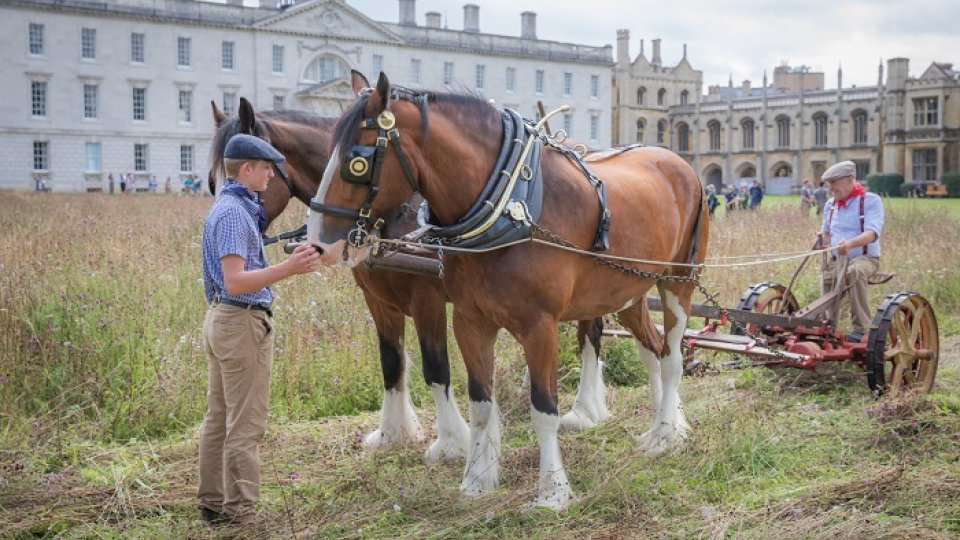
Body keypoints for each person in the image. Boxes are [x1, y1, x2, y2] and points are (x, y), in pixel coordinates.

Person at [198, 133, 321, 527]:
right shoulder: (235, 214)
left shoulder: (228, 206)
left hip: (222, 319)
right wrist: (289, 269)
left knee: (219, 417)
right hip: (240, 321)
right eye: (266, 168)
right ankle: (240, 512)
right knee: (245, 423)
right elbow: (236, 280)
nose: (272, 175)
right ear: (246, 168)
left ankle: (213, 501)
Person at [817, 160, 884, 341]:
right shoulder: (830, 205)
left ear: (849, 180)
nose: (831, 188)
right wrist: (821, 240)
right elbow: (827, 234)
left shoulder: (870, 201)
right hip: (836, 259)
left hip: (865, 259)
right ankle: (827, 328)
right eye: (829, 184)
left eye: (834, 182)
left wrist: (850, 244)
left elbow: (871, 233)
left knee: (854, 271)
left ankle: (861, 330)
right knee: (827, 278)